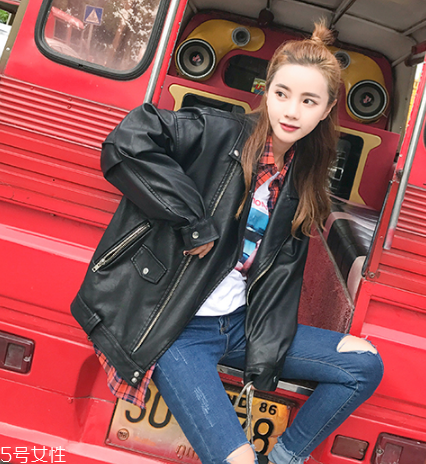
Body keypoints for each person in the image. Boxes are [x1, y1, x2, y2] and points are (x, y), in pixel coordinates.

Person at [71, 21, 384, 464]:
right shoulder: (216, 132)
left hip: (237, 326)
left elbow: (278, 283)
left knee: (364, 365)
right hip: (178, 327)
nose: (292, 111)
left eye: (308, 101)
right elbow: (129, 139)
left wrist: (279, 350)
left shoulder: (301, 179)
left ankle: (284, 458)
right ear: (266, 91)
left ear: (327, 108)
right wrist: (191, 220)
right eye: (282, 93)